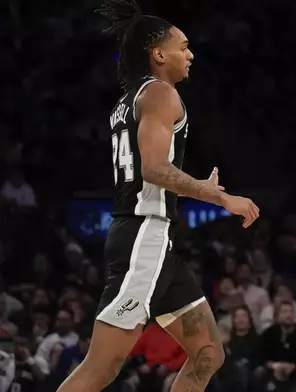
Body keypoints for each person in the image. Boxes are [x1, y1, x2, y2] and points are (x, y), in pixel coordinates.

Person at [57, 1, 260, 391]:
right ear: (159, 53)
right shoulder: (161, 95)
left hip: (153, 241)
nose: (190, 54)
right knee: (101, 366)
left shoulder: (129, 100)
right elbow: (153, 168)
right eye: (183, 46)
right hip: (143, 236)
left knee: (208, 352)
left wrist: (201, 187)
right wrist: (219, 198)